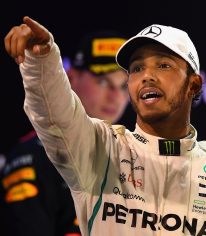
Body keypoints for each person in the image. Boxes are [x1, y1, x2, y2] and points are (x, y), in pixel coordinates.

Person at [4, 16, 206, 236]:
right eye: (137, 68)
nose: (147, 76)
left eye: (163, 65)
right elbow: (55, 118)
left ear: (194, 85)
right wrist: (41, 61)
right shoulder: (101, 150)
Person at [1, 27, 129, 236]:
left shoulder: (133, 158)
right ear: (71, 77)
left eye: (124, 86)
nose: (115, 96)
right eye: (103, 81)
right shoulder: (34, 157)